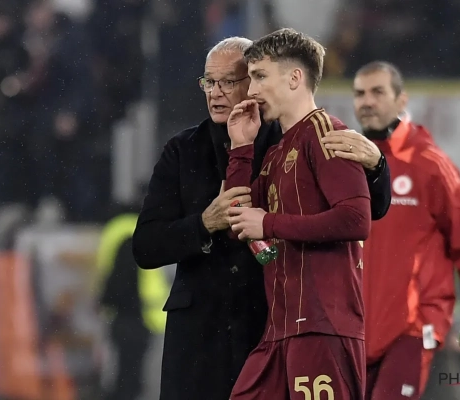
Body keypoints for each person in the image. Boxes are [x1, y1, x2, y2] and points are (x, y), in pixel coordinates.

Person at [132, 37, 390, 400]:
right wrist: (204, 223)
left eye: (231, 81)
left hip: (273, 319)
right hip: (200, 332)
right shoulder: (182, 151)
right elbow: (146, 247)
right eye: (209, 82)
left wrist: (378, 167)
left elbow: (363, 213)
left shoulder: (294, 136)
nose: (216, 92)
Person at [321, 61, 460, 400]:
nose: (367, 101)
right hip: (354, 327)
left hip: (414, 328)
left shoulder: (430, 164)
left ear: (401, 100)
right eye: (360, 93)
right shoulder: (343, 164)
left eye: (378, 92)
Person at [224, 28, 369, 400]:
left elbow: (356, 219)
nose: (251, 90)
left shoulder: (327, 133)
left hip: (322, 326)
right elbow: (237, 221)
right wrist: (241, 148)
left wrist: (268, 223)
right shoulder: (276, 153)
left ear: (294, 78)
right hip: (279, 330)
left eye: (260, 76)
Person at [97, 206, 170, 400]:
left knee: (124, 374)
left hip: (127, 315)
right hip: (140, 315)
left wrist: (107, 301)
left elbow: (113, 277)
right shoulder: (137, 232)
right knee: (132, 376)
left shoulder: (116, 230)